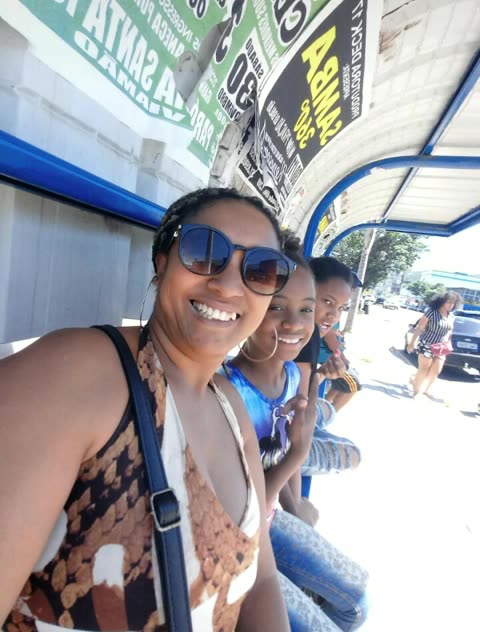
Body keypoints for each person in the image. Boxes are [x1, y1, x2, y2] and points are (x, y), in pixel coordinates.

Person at [0, 188, 294, 631]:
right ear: (162, 263)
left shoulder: (231, 406)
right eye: (204, 251)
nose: (229, 285)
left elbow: (263, 579)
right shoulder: (76, 372)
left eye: (261, 270)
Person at [220, 236, 368, 632]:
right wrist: (297, 456)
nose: (295, 323)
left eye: (306, 309)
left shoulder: (290, 376)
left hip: (268, 521)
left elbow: (286, 446)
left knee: (358, 601)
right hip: (237, 541)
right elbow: (240, 515)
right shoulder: (224, 392)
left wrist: (296, 504)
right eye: (276, 307)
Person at [295, 257, 362, 475]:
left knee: (329, 410)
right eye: (327, 302)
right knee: (353, 454)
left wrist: (322, 373)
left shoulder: (306, 329)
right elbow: (301, 409)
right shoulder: (307, 332)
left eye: (341, 308)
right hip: (278, 437)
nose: (334, 315)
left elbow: (296, 386)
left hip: (283, 417)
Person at [407, 290, 462, 398]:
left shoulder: (451, 316)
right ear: (442, 301)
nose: (451, 305)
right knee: (424, 369)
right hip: (427, 344)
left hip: (441, 347)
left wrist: (448, 342)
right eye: (449, 302)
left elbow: (449, 331)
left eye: (453, 303)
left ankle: (425, 388)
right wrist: (412, 343)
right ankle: (416, 391)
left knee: (436, 370)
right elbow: (420, 328)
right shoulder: (431, 312)